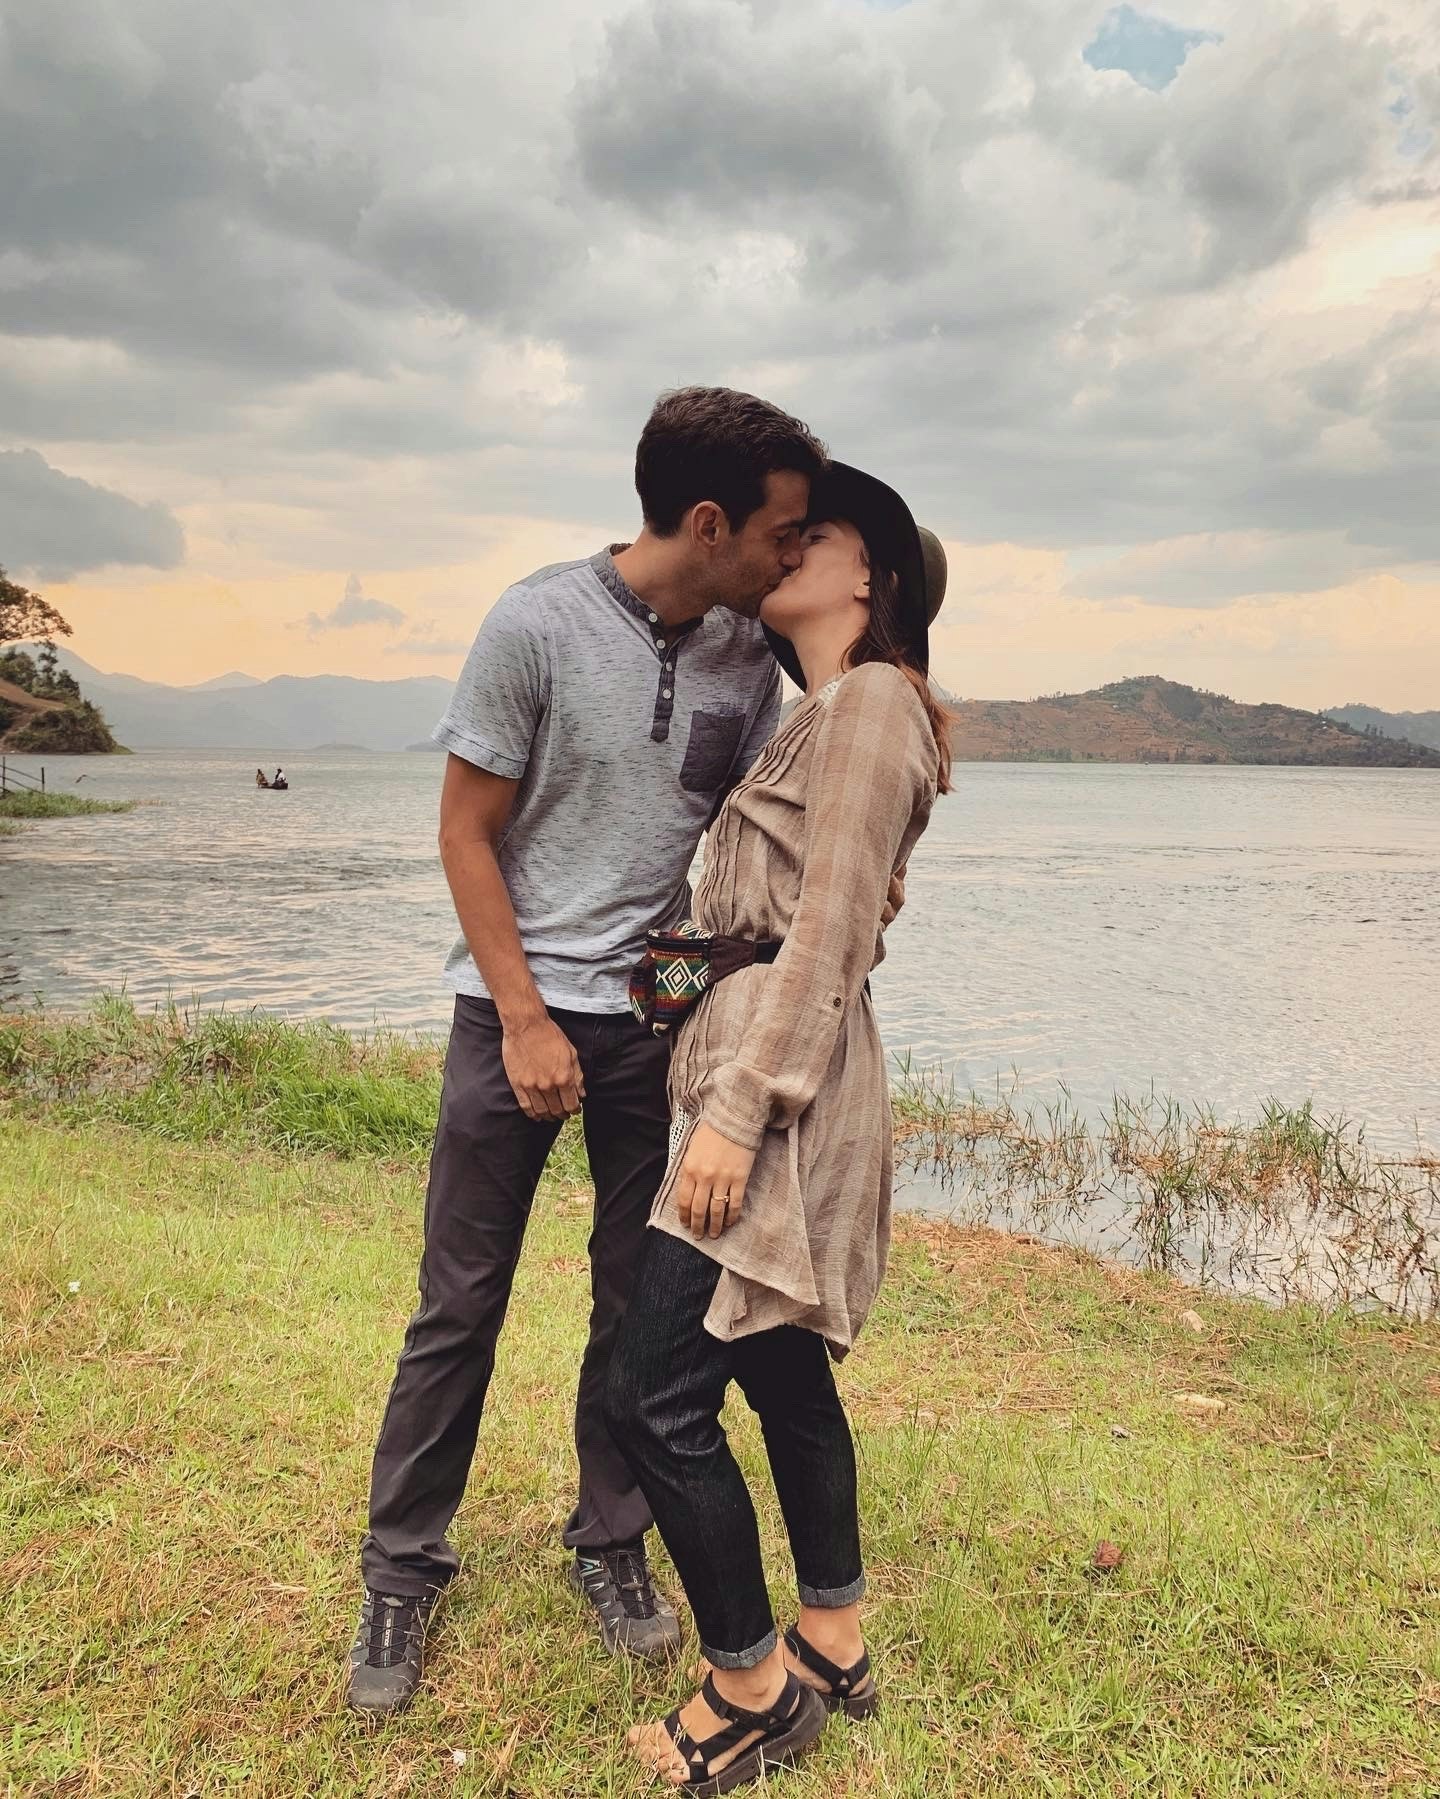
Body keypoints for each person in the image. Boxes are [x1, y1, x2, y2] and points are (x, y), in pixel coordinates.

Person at [345, 387, 828, 1715]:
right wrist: (526, 1017)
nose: (793, 555)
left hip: (652, 1038)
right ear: (710, 520)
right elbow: (464, 832)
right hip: (512, 1020)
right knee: (462, 1303)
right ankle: (402, 1567)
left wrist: (670, 999)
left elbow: (736, 848)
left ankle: (608, 1539)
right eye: (782, 533)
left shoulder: (748, 656)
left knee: (635, 1307)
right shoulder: (536, 623)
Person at [605, 462, 951, 1792]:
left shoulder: (870, 705)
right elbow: (753, 922)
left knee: (654, 1393)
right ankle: (834, 1638)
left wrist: (737, 1117)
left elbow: (832, 932)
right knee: (776, 1368)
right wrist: (647, 1003)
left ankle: (751, 1689)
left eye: (823, 533)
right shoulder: (822, 719)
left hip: (778, 1090)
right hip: (751, 1055)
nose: (792, 542)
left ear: (877, 579)